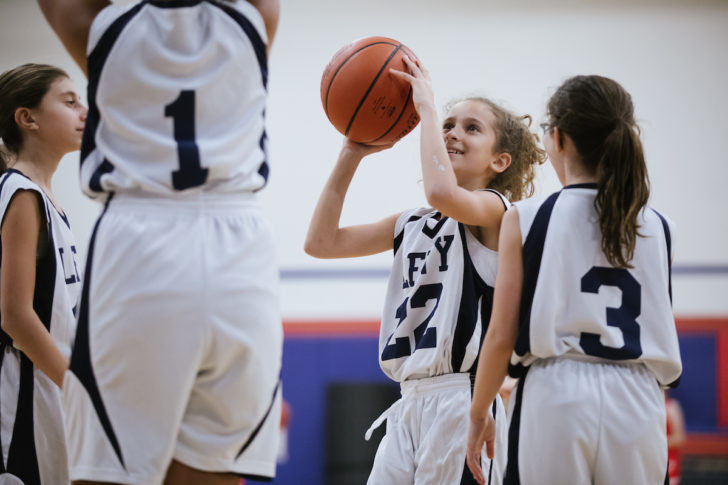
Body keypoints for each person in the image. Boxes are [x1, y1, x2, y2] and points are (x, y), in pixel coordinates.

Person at [36, 1, 283, 483]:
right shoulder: (256, 21)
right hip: (242, 246)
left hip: (140, 241)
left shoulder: (102, 30)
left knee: (106, 471)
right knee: (213, 471)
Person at [305, 55, 546, 484]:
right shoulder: (412, 223)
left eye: (472, 128)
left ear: (501, 162)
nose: (453, 132)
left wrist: (429, 106)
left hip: (463, 400)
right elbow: (321, 243)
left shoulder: (497, 212)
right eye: (449, 124)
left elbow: (441, 191)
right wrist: (351, 151)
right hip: (408, 402)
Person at [466, 74, 682, 485]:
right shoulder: (660, 227)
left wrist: (479, 413)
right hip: (639, 397)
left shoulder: (527, 217)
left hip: (556, 392)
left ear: (559, 138)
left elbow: (500, 334)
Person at [0, 63, 87, 484]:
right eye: (70, 102)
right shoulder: (21, 194)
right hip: (21, 397)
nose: (83, 111)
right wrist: (78, 389)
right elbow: (15, 316)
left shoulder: (47, 198)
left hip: (47, 389)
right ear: (27, 118)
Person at [666, 392, 686, 485]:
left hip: (669, 462)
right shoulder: (643, 407)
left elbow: (679, 439)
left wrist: (654, 443)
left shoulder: (671, 406)